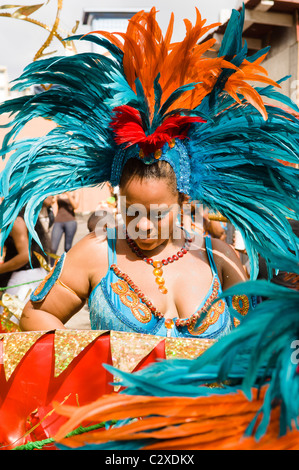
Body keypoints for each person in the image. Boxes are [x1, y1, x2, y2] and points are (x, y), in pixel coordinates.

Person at [0, 6, 297, 336]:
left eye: (157, 214)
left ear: (183, 202)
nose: (141, 224)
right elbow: (35, 318)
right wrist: (94, 360)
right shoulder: (98, 252)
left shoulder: (220, 258)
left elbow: (249, 343)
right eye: (131, 210)